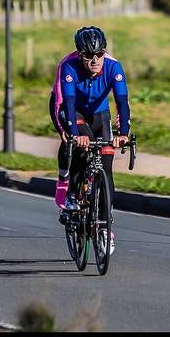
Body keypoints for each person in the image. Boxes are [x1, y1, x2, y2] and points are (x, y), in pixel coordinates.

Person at [49, 25, 130, 256]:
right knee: (80, 146)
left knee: (106, 167)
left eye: (99, 55)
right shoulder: (68, 66)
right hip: (72, 110)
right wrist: (74, 133)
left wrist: (123, 132)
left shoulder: (114, 67)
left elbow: (122, 103)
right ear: (79, 54)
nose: (95, 60)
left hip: (100, 114)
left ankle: (105, 225)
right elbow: (67, 104)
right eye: (88, 56)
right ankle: (71, 191)